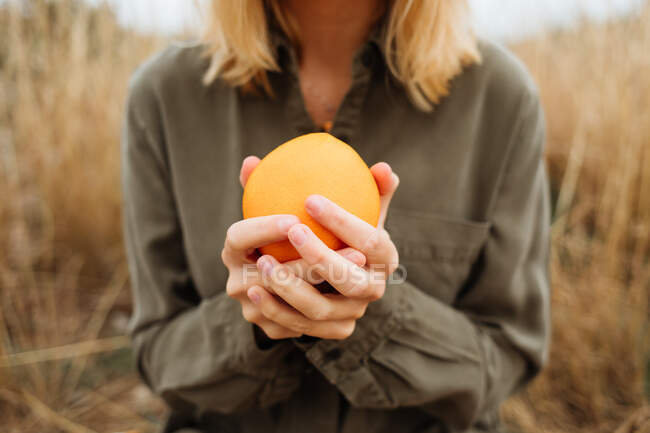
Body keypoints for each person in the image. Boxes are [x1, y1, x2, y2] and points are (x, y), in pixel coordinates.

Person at [121, 0, 551, 432]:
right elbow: (157, 355)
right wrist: (256, 314)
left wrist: (376, 309)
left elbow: (511, 355)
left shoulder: (497, 99)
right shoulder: (165, 97)